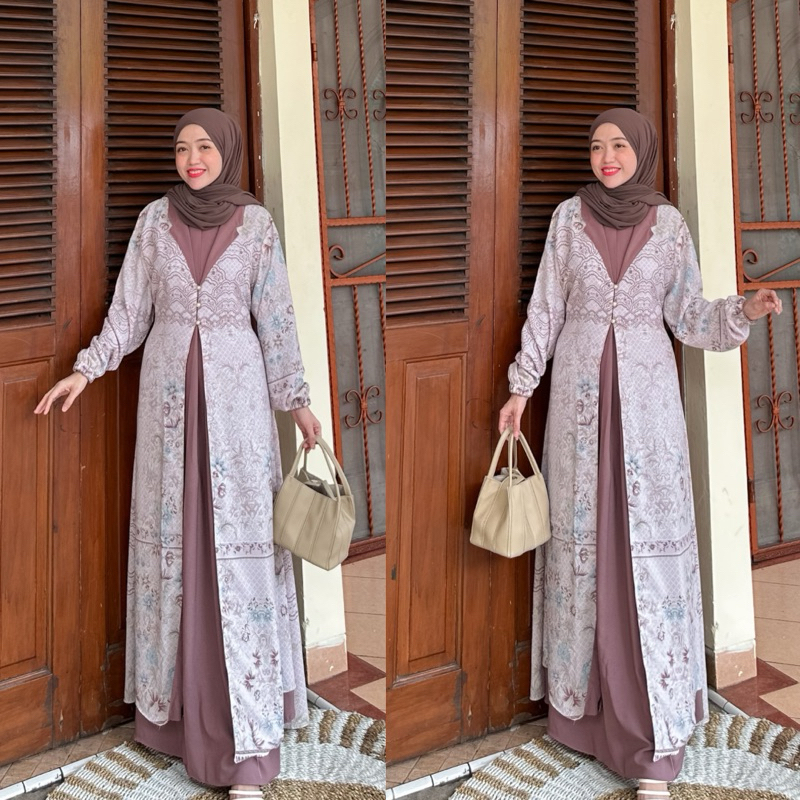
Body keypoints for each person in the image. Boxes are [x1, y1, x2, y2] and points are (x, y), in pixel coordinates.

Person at [35, 108, 320, 800]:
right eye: (182, 147)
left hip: (238, 417)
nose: (193, 158)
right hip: (167, 416)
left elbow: (276, 321)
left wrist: (299, 403)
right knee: (180, 551)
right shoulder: (152, 223)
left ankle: (248, 745)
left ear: (227, 152)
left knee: (238, 557)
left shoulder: (256, 225)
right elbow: (129, 315)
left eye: (204, 147)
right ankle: (175, 721)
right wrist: (84, 370)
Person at [498, 108, 781, 799]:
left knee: (643, 557)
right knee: (585, 548)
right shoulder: (568, 220)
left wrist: (742, 310)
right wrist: (520, 389)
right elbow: (546, 311)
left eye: (619, 145)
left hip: (648, 417)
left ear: (642, 151)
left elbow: (688, 316)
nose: (607, 156)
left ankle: (653, 735)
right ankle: (583, 718)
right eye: (597, 145)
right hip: (577, 413)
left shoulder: (670, 225)